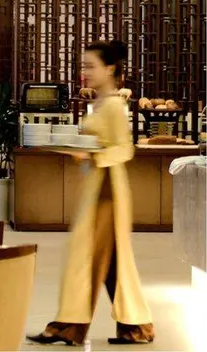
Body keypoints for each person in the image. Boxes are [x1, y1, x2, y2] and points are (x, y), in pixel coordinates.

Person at [27, 40, 155, 345]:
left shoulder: (113, 106)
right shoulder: (101, 101)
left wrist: (92, 154)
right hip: (98, 187)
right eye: (84, 66)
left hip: (107, 192)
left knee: (85, 256)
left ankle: (68, 326)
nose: (85, 71)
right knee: (111, 262)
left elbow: (124, 149)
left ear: (109, 68)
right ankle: (136, 328)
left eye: (90, 66)